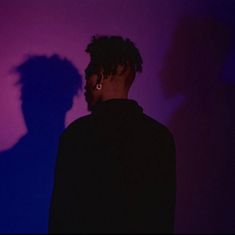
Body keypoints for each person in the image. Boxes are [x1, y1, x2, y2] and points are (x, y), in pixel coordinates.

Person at [48, 35, 176, 234]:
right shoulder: (160, 138)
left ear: (104, 74)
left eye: (90, 73)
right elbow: (163, 217)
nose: (86, 84)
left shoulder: (76, 136)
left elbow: (61, 218)